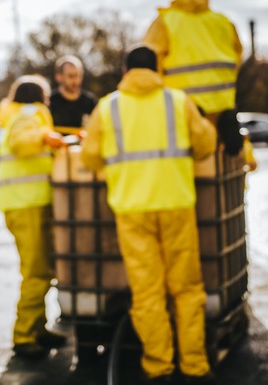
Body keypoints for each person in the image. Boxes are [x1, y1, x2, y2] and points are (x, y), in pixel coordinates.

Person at [81, 46, 217, 384]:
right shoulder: (177, 100)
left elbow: (90, 157)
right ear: (157, 68)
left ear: (125, 70)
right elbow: (205, 145)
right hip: (176, 205)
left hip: (132, 210)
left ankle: (159, 368)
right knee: (186, 289)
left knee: (147, 293)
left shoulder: (107, 107)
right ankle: (195, 367)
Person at [0, 75, 68, 360]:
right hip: (28, 206)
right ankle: (25, 336)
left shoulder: (19, 116)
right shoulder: (29, 115)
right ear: (42, 97)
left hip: (27, 205)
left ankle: (37, 328)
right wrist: (44, 137)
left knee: (41, 270)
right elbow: (21, 144)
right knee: (36, 272)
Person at [143, 0, 242, 124]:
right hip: (222, 116)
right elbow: (236, 61)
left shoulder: (164, 22)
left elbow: (148, 66)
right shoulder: (224, 23)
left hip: (180, 113)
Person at [48, 55, 97, 135]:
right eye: (71, 76)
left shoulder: (90, 101)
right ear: (59, 77)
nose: (75, 80)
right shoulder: (49, 101)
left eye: (78, 76)